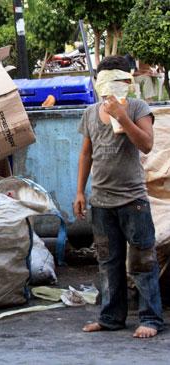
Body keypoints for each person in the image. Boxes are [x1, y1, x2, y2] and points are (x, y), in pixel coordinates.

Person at [74, 55, 164, 338]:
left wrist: (121, 116)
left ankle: (150, 318)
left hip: (132, 200)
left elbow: (147, 145)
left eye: (125, 81)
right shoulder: (90, 113)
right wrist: (79, 191)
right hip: (101, 202)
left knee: (142, 262)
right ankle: (111, 317)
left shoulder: (138, 108)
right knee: (108, 263)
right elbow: (86, 153)